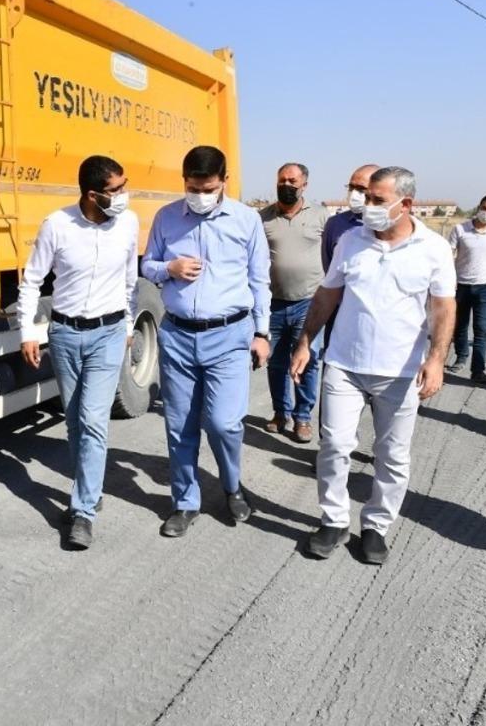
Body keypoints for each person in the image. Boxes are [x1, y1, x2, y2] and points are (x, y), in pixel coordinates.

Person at [291, 166, 455, 564]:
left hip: (400, 373)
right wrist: (305, 342)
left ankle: (376, 526)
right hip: (344, 366)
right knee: (334, 446)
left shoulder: (433, 249)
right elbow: (327, 296)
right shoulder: (351, 241)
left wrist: (436, 359)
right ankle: (333, 520)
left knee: (393, 454)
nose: (369, 207)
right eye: (367, 198)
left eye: (379, 201)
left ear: (407, 204)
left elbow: (443, 307)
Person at [141, 145, 270, 538]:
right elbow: (147, 265)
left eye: (207, 187)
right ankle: (184, 502)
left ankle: (231, 486)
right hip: (178, 334)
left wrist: (262, 333)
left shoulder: (246, 220)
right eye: (192, 187)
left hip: (230, 334)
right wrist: (170, 268)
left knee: (224, 422)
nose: (199, 195)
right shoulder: (166, 217)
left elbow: (259, 278)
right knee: (179, 425)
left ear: (224, 182)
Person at [18, 155, 138, 551]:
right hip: (66, 334)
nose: (124, 195)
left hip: (108, 332)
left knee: (92, 419)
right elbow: (32, 280)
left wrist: (127, 325)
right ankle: (91, 482)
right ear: (92, 194)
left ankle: (83, 510)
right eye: (117, 189)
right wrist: (28, 331)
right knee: (73, 420)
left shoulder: (129, 224)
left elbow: (129, 281)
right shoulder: (58, 225)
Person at [260, 162, 328, 443]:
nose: (286, 185)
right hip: (273, 303)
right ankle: (280, 413)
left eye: (292, 181)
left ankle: (302, 418)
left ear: (304, 185)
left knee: (306, 363)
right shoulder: (262, 217)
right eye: (281, 180)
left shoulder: (321, 217)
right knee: (275, 363)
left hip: (309, 303)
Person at [448, 194, 486, 383]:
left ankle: (478, 370)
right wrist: (449, 280)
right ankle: (461, 356)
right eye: (484, 208)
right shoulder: (460, 229)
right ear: (478, 207)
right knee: (460, 326)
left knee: (482, 329)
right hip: (461, 286)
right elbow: (449, 257)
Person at [321, 164, 379, 273]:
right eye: (351, 187)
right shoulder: (334, 224)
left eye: (361, 189)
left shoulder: (390, 224)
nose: (354, 194)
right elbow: (329, 269)